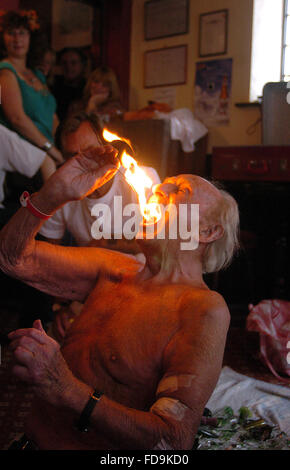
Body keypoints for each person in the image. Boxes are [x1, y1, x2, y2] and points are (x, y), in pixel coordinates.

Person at [0, 144, 239, 450]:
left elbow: (171, 440)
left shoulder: (202, 309)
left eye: (179, 191)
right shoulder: (112, 267)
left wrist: (66, 388)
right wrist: (53, 194)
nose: (159, 186)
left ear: (207, 231)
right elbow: (10, 257)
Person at [0, 11, 63, 165]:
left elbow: (52, 116)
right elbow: (17, 119)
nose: (17, 39)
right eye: (11, 33)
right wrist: (51, 150)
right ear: (2, 38)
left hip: (50, 148)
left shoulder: (37, 74)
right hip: (26, 153)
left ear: (31, 37)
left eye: (22, 33)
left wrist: (60, 146)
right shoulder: (5, 72)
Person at [52, 47, 87, 121]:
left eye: (73, 63)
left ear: (82, 65)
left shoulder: (89, 88)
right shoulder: (54, 89)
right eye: (64, 63)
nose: (68, 67)